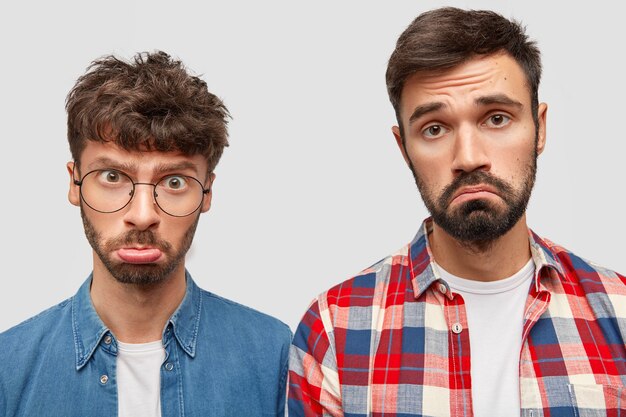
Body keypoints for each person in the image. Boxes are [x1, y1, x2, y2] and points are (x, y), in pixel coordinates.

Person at [289, 7, 626, 416]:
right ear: (404, 149)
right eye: (434, 128)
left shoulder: (619, 311)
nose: (468, 158)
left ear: (539, 128)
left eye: (496, 118)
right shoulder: (336, 330)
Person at [0, 51, 291, 416]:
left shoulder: (275, 355)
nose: (142, 216)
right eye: (112, 177)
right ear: (75, 183)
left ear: (207, 192)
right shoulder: (7, 368)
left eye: (174, 181)